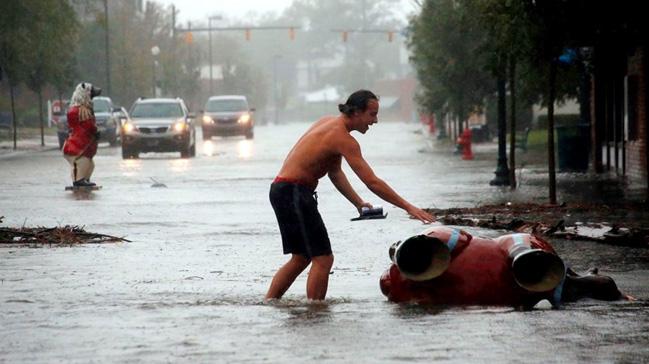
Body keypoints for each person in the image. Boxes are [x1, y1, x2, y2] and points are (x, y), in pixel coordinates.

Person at [266, 89, 435, 301]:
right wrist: (409, 207)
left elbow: (334, 172)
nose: (375, 121)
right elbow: (372, 181)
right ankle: (315, 313)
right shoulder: (343, 139)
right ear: (355, 112)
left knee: (301, 257)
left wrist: (358, 203)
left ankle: (269, 302)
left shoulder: (327, 123)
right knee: (323, 258)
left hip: (282, 190)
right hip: (294, 192)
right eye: (372, 114)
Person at [62, 82, 102, 187]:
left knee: (90, 164)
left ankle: (84, 179)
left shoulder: (84, 110)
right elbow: (87, 125)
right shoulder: (78, 111)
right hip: (77, 147)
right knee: (81, 162)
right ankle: (78, 180)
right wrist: (94, 130)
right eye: (91, 92)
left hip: (85, 146)